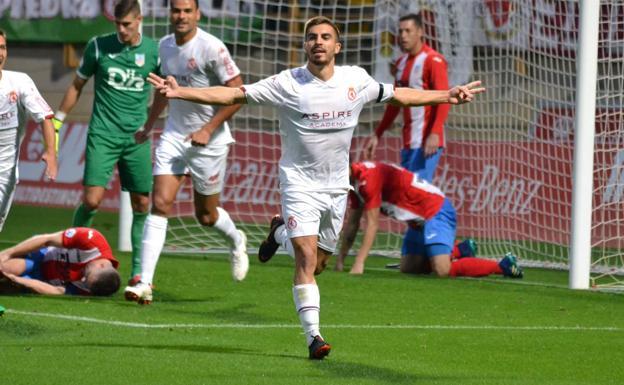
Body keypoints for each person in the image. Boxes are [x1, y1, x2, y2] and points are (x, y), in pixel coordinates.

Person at [146, 16, 484, 360]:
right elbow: (234, 92)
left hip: (336, 188)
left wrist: (447, 95)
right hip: (298, 184)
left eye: (325, 37)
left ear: (337, 46)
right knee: (306, 258)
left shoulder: (356, 80)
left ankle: (278, 234)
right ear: (305, 46)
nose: (318, 41)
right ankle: (314, 337)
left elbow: (399, 96)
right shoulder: (287, 83)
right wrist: (180, 91)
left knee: (319, 263)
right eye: (311, 37)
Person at [123, 0, 248, 306]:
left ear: (197, 14)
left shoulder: (212, 48)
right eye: (176, 10)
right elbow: (165, 90)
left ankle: (236, 240)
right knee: (161, 203)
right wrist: (150, 124)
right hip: (175, 136)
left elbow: (240, 93)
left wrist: (208, 128)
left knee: (205, 216)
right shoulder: (164, 46)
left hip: (210, 141)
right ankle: (145, 282)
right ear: (171, 14)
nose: (181, 16)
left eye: (186, 10)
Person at [51, 0, 160, 284]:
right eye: (118, 24)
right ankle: (71, 259)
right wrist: (59, 120)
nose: (122, 30)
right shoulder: (99, 46)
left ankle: (139, 272)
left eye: (127, 24)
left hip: (136, 139)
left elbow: (164, 89)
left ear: (139, 20)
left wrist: (151, 124)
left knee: (142, 202)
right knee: (92, 200)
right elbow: (77, 85)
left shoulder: (153, 51)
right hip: (103, 134)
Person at [332, 161, 523, 278]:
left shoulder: (368, 179)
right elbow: (353, 224)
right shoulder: (353, 183)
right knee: (409, 268)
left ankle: (503, 266)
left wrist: (359, 263)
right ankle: (461, 249)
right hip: (417, 222)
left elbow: (372, 224)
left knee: (442, 270)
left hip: (435, 210)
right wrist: (340, 260)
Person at [364, 13, 449, 181]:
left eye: (408, 31)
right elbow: (395, 103)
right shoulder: (401, 63)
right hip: (408, 141)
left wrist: (435, 132)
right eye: (400, 31)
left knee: (416, 196)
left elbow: (445, 98)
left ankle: (447, 210)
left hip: (427, 140)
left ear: (420, 32)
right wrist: (377, 134)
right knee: (408, 197)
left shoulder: (433, 60)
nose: (403, 36)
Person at [0, 29, 57, 232]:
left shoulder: (19, 82)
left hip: (4, 175)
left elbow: (46, 116)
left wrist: (51, 152)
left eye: (3, 47)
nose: (0, 54)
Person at [0, 227, 121, 296]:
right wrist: (7, 253)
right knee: (9, 268)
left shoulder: (94, 286)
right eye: (87, 275)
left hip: (42, 282)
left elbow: (57, 291)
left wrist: (20, 281)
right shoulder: (91, 240)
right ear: (101, 265)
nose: (82, 279)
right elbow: (46, 239)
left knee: (8, 287)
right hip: (41, 256)